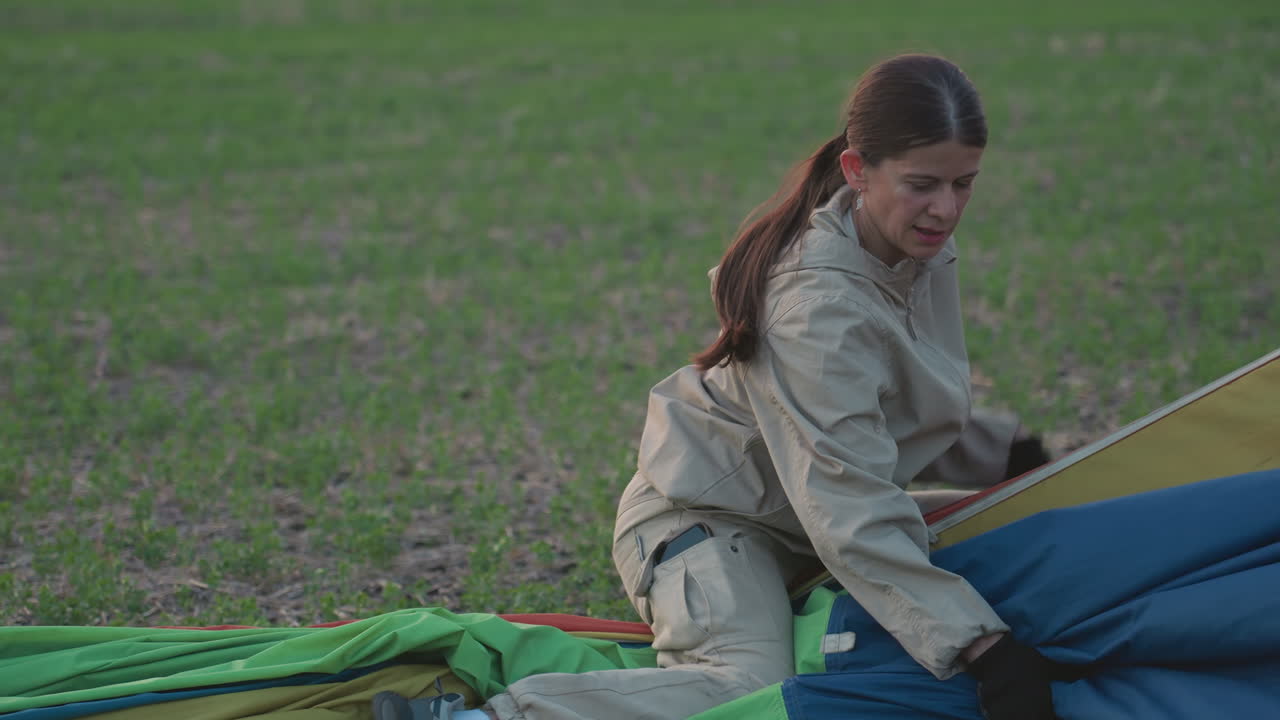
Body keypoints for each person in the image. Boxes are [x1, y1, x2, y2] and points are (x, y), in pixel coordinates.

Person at [374, 53, 1056, 720]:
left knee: (1020, 528)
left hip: (800, 509)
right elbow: (847, 500)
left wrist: (1016, 457)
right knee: (744, 688)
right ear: (858, 171)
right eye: (922, 184)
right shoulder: (817, 307)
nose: (945, 208)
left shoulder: (909, 249)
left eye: (963, 183)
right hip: (708, 522)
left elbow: (888, 405)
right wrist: (983, 648)